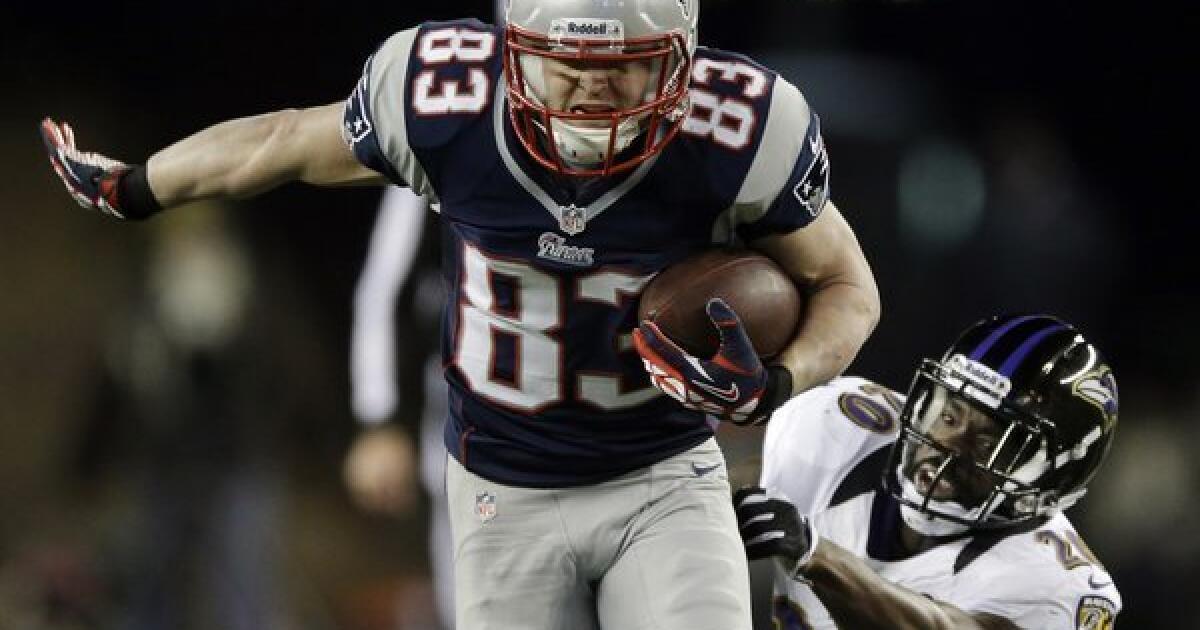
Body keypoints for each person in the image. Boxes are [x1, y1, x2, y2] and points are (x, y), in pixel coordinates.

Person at [40, 0, 881, 627]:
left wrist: (776, 381)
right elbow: (285, 141)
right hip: (502, 490)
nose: (592, 89)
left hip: (660, 478)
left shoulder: (740, 133)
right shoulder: (445, 104)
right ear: (511, 53)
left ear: (684, 59)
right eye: (565, 63)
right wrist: (139, 185)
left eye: (626, 63)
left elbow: (849, 287)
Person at [734, 314, 1121, 629]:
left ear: (1053, 482)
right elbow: (718, 490)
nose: (950, 446)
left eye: (990, 444)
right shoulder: (841, 432)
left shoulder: (1060, 585)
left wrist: (817, 556)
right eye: (949, 417)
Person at [342, 185, 456, 628]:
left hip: (604, 437)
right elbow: (382, 289)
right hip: (468, 432)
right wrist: (379, 419)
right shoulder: (445, 135)